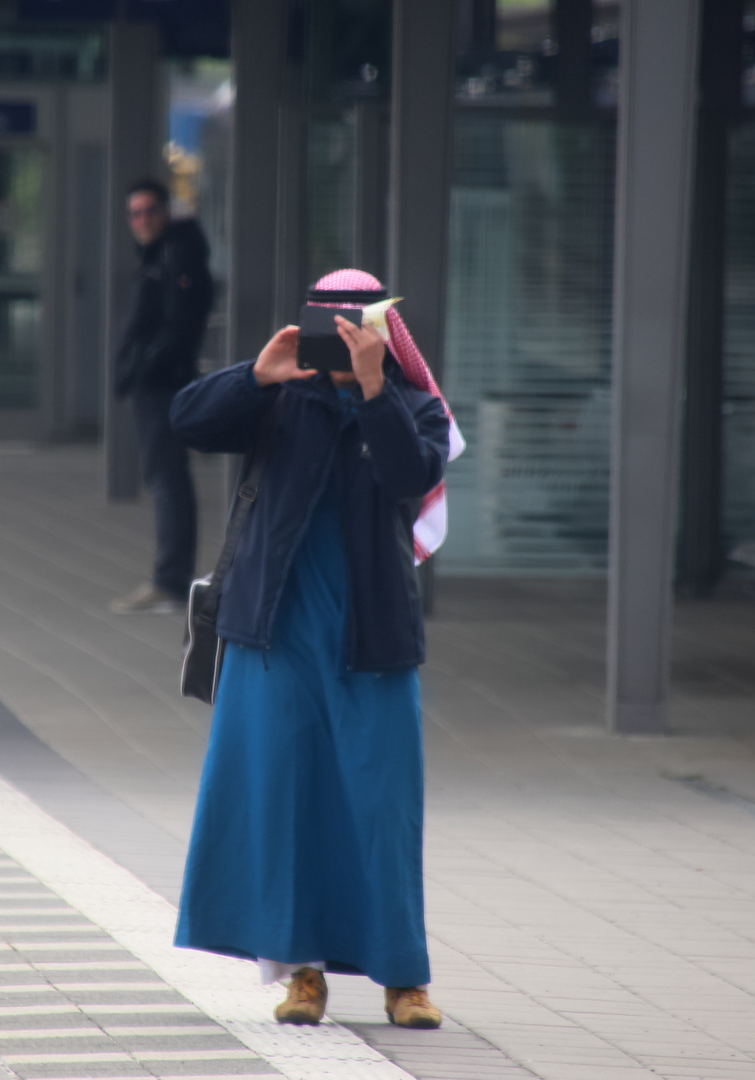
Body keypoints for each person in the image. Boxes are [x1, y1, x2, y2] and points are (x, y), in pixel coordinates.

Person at [169, 269, 465, 1029]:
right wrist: (251, 377)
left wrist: (373, 393)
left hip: (372, 633)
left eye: (354, 322)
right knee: (284, 794)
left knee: (381, 804)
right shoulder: (278, 397)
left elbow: (409, 473)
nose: (339, 337)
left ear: (382, 331)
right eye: (325, 321)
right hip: (276, 627)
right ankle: (300, 975)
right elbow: (186, 422)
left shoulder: (413, 405)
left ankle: (405, 980)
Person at [109, 179, 214, 616]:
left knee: (165, 478)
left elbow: (177, 325)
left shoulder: (176, 255)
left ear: (166, 211)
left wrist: (142, 367)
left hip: (163, 383)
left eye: (150, 210)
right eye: (134, 213)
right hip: (156, 380)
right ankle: (170, 579)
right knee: (167, 477)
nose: (142, 220)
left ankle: (170, 582)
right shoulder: (163, 255)